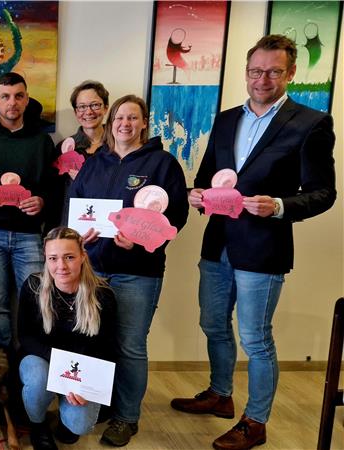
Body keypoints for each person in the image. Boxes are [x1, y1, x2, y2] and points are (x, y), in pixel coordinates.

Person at [170, 35, 336, 450]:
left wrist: (279, 205)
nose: (263, 79)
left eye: (274, 71)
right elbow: (208, 175)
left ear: (291, 73)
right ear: (245, 72)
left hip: (263, 249)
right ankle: (220, 395)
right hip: (218, 243)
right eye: (256, 71)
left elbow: (323, 193)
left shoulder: (311, 123)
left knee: (256, 338)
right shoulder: (226, 119)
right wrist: (196, 193)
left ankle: (255, 422)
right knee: (212, 324)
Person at [65, 95, 189, 446]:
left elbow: (176, 217)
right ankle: (101, 404)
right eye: (120, 117)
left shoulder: (162, 163)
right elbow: (75, 204)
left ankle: (126, 417)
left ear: (144, 123)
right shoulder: (95, 162)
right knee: (94, 340)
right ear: (111, 121)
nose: (124, 124)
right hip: (95, 270)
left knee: (131, 346)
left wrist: (141, 241)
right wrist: (77, 239)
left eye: (132, 118)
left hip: (139, 271)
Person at [0, 71, 58, 349]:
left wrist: (41, 201)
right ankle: (3, 363)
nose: (12, 103)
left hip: (29, 235)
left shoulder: (41, 141)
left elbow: (53, 188)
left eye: (18, 96)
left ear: (27, 99)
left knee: (37, 301)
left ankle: (31, 362)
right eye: (5, 97)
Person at [18, 227, 116, 450]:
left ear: (83, 256)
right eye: (53, 258)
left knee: (79, 425)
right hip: (42, 359)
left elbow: (105, 347)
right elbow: (25, 336)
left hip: (82, 366)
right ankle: (38, 425)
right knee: (37, 377)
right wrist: (59, 368)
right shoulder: (33, 287)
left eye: (69, 257)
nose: (60, 266)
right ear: (46, 259)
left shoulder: (103, 294)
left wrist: (81, 382)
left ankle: (66, 420)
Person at [49, 80, 110, 230]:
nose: (88, 112)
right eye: (82, 107)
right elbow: (55, 193)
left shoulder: (118, 147)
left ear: (106, 108)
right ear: (76, 112)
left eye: (95, 105)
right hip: (69, 228)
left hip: (106, 226)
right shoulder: (64, 148)